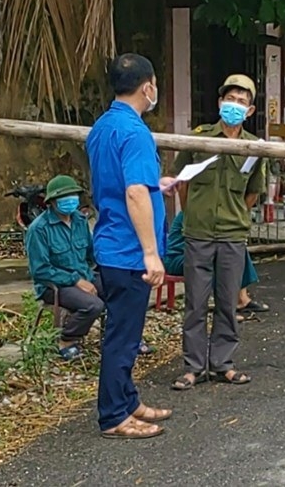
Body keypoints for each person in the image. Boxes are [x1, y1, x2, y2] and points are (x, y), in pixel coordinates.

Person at [86, 53, 174, 439]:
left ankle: (128, 399)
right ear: (148, 87)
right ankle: (113, 416)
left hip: (111, 241)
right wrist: (151, 253)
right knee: (123, 336)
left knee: (125, 331)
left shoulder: (103, 127)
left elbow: (128, 183)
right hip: (128, 250)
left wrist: (159, 184)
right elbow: (135, 192)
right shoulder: (136, 132)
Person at [171, 74, 265, 390]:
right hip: (197, 233)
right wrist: (193, 214)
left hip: (232, 234)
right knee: (195, 303)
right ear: (219, 102)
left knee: (228, 301)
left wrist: (232, 213)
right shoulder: (197, 139)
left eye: (242, 101)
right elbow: (181, 182)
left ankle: (223, 363)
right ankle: (193, 367)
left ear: (250, 110)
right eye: (230, 99)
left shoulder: (253, 148)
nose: (234, 105)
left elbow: (252, 194)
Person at [25, 175, 104, 361]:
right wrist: (75, 280)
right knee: (93, 305)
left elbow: (91, 255)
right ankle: (66, 340)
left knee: (119, 289)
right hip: (54, 285)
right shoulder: (39, 229)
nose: (70, 201)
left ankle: (116, 338)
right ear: (52, 201)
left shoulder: (80, 220)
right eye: (64, 197)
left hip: (85, 275)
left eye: (73, 196)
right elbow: (41, 271)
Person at [162, 210, 263, 323]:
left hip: (193, 255)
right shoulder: (195, 212)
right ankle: (224, 310)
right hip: (177, 258)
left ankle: (242, 298)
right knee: (218, 257)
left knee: (236, 249)